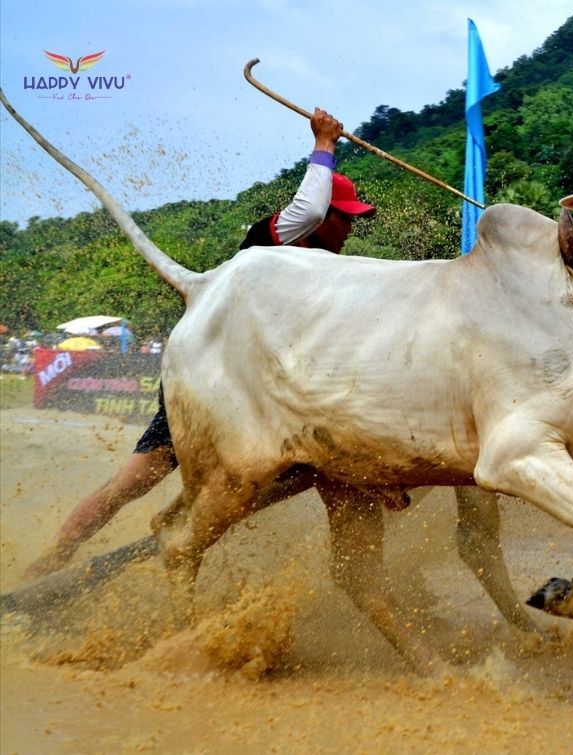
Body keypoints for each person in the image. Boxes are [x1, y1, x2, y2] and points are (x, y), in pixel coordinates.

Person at [23, 108, 376, 581]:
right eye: (344, 217)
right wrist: (325, 144)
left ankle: (191, 524)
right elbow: (309, 208)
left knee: (312, 469)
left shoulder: (332, 274)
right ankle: (53, 561)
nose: (350, 227)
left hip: (265, 404)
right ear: (323, 217)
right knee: (134, 482)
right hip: (209, 385)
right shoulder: (274, 242)